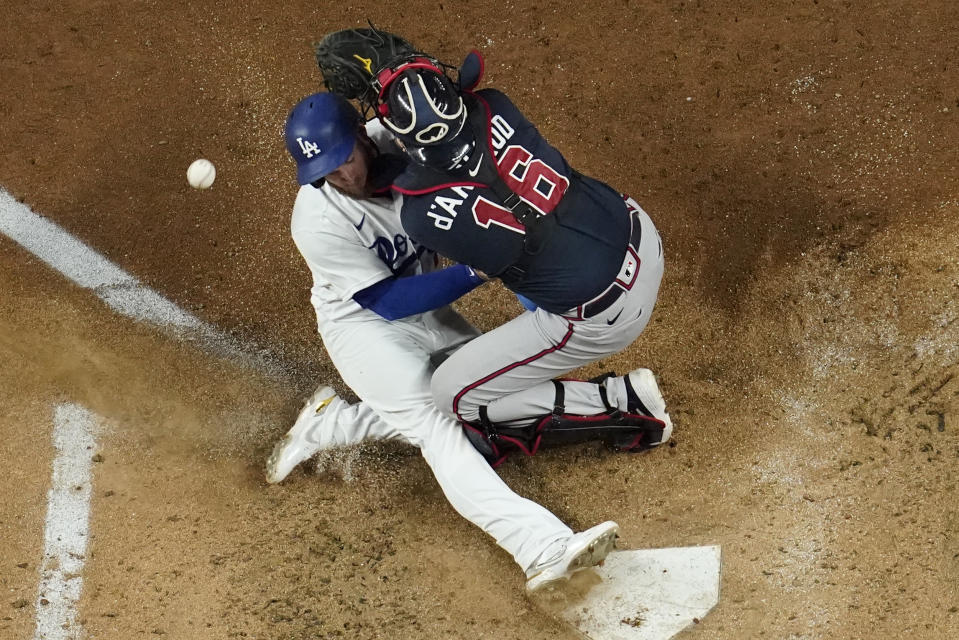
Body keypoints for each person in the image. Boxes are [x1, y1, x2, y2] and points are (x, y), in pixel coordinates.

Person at [267, 91, 620, 594]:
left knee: (479, 397)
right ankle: (541, 549)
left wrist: (527, 291)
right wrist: (478, 269)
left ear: (363, 138)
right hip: (362, 328)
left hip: (428, 307)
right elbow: (387, 302)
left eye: (345, 159)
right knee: (437, 427)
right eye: (324, 170)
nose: (341, 176)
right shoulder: (317, 221)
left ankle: (337, 424)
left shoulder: (409, 145)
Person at [313, 29, 673, 459]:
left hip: (604, 314)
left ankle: (620, 403)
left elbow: (428, 196)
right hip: (641, 236)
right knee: (543, 241)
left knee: (453, 394)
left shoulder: (421, 215)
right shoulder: (496, 104)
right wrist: (404, 72)